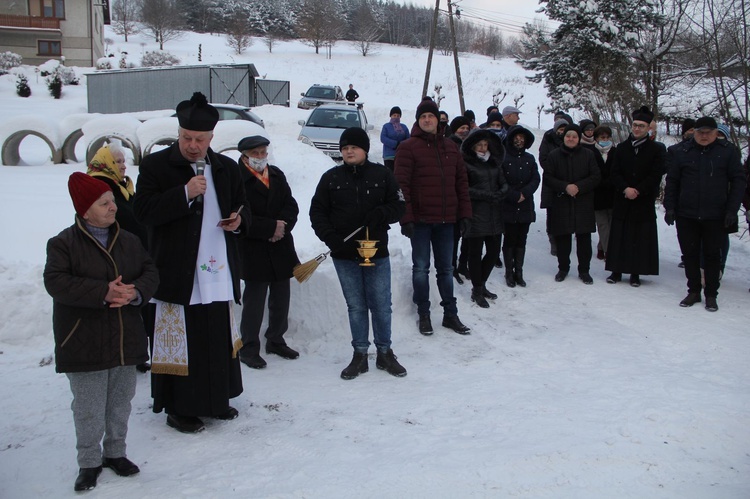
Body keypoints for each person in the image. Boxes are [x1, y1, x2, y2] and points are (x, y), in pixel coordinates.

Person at [133, 92, 246, 433]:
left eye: (200, 139)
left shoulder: (225, 168)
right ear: (178, 133)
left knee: (215, 336)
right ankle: (180, 408)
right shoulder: (156, 166)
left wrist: (239, 221)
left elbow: (243, 208)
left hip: (216, 270)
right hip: (176, 270)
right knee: (183, 340)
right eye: (187, 138)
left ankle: (217, 400)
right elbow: (143, 212)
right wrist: (183, 193)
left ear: (212, 138)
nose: (193, 146)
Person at [44, 173, 159, 492]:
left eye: (112, 201)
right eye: (105, 203)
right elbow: (56, 282)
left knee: (121, 401)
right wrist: (102, 292)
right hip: (84, 340)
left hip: (125, 336)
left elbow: (151, 271)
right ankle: (89, 462)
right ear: (85, 210)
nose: (113, 208)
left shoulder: (129, 240)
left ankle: (116, 453)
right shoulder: (63, 243)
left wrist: (136, 291)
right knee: (89, 406)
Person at [310, 127, 407, 380]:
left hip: (376, 252)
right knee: (356, 306)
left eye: (353, 146)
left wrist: (381, 214)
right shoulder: (331, 178)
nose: (349, 151)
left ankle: (385, 353)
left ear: (364, 149)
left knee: (382, 306)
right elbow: (317, 212)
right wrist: (330, 238)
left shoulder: (383, 175)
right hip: (344, 255)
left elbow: (399, 206)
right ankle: (360, 355)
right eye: (344, 148)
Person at [395, 97, 472, 335]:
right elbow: (401, 186)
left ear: (438, 119)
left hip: (447, 220)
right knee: (421, 268)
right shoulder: (407, 147)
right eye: (423, 117)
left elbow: (461, 183)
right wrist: (405, 218)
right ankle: (424, 314)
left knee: (446, 270)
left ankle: (450, 314)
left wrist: (465, 214)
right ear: (418, 121)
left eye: (431, 116)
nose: (427, 120)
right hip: (420, 221)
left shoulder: (451, 147)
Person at [664, 116, 746, 311]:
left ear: (716, 133)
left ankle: (711, 294)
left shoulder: (727, 152)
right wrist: (670, 207)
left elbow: (738, 181)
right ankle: (693, 290)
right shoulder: (683, 152)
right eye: (700, 132)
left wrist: (731, 210)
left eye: (708, 132)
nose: (704, 136)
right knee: (690, 254)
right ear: (694, 132)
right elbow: (672, 181)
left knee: (711, 256)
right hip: (687, 213)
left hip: (715, 214)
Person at [236, 135, 300, 370]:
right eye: (256, 154)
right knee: (255, 298)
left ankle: (275, 339)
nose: (261, 157)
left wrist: (282, 227)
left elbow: (290, 204)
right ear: (245, 156)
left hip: (280, 245)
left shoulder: (276, 174)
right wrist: (270, 228)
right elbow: (240, 213)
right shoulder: (237, 179)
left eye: (263, 153)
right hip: (254, 247)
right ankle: (249, 346)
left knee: (281, 295)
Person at [87, 144, 151, 373]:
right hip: (113, 253)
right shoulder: (100, 185)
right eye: (118, 162)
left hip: (131, 251)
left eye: (124, 161)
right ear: (106, 163)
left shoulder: (120, 185)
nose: (123, 166)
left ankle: (134, 354)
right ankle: (122, 354)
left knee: (132, 305)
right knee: (120, 305)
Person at [605, 107, 665, 287]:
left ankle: (635, 273)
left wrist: (638, 190)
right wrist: (625, 188)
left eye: (641, 126)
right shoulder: (621, 148)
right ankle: (616, 271)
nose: (637, 129)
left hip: (643, 200)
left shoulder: (656, 150)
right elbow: (613, 172)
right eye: (635, 125)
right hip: (623, 198)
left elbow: (656, 174)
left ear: (648, 128)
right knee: (619, 236)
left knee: (639, 237)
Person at [543, 124, 601, 284]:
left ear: (579, 138)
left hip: (583, 202)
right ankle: (563, 268)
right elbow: (548, 177)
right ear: (564, 137)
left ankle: (584, 270)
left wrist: (579, 187)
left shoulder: (588, 155)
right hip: (561, 201)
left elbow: (596, 176)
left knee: (584, 239)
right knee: (562, 238)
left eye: (574, 136)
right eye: (568, 136)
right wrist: (565, 187)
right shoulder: (554, 155)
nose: (571, 139)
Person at [460, 128, 508, 307]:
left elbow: (503, 182)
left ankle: (482, 283)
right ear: (472, 147)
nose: (482, 148)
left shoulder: (494, 163)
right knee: (475, 253)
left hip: (494, 213)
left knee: (494, 252)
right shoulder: (467, 164)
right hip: (476, 213)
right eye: (478, 145)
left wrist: (502, 192)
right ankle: (477, 289)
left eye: (485, 144)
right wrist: (486, 195)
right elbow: (464, 189)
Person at [501, 125, 540, 287]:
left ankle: (519, 271)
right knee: (509, 239)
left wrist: (525, 193)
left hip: (525, 204)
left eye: (522, 138)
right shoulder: (502, 158)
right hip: (508, 204)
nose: (519, 141)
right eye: (516, 138)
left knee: (521, 239)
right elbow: (500, 180)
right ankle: (509, 272)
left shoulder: (530, 159)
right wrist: (513, 195)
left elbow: (536, 179)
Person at [538, 117, 570, 256]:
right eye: (560, 129)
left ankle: (564, 239)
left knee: (566, 212)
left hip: (568, 182)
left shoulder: (571, 140)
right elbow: (543, 159)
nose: (562, 132)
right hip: (551, 181)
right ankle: (553, 240)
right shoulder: (548, 139)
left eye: (565, 129)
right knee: (551, 212)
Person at [447, 115, 472, 284]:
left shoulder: (472, 146)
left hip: (471, 195)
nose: (464, 131)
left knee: (469, 234)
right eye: (460, 128)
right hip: (455, 196)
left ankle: (464, 264)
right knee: (454, 236)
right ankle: (452, 266)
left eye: (466, 128)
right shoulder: (449, 146)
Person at [592, 125, 616, 260]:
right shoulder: (591, 152)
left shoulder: (615, 152)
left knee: (611, 224)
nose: (605, 139)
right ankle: (609, 251)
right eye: (602, 137)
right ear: (596, 139)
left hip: (613, 194)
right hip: (597, 195)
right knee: (602, 225)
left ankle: (602, 247)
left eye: (607, 137)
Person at [380, 106, 410, 171]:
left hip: (401, 155)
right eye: (394, 115)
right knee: (390, 174)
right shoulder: (386, 126)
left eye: (398, 115)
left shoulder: (404, 127)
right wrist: (395, 144)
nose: (396, 117)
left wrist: (402, 144)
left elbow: (409, 139)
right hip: (389, 155)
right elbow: (383, 138)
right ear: (391, 116)